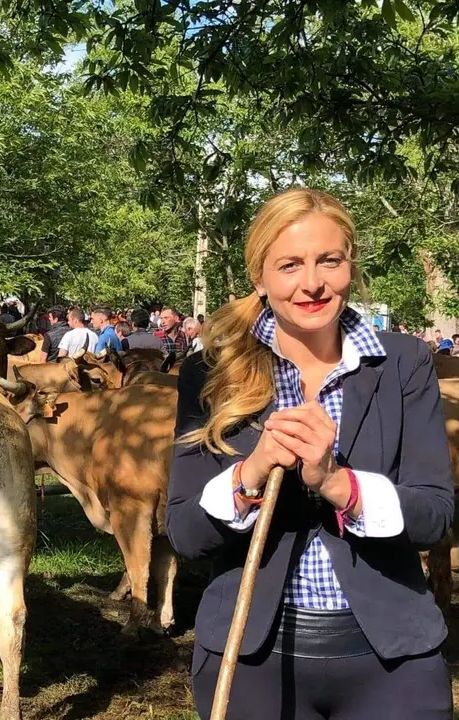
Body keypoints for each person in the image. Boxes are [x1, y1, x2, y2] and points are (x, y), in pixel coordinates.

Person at [167, 187, 453, 719]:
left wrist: (336, 483)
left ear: (351, 266)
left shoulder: (404, 363)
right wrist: (249, 473)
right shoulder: (212, 373)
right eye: (290, 264)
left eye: (330, 260)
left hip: (392, 661)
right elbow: (185, 533)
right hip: (250, 659)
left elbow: (435, 516)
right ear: (260, 276)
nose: (312, 283)